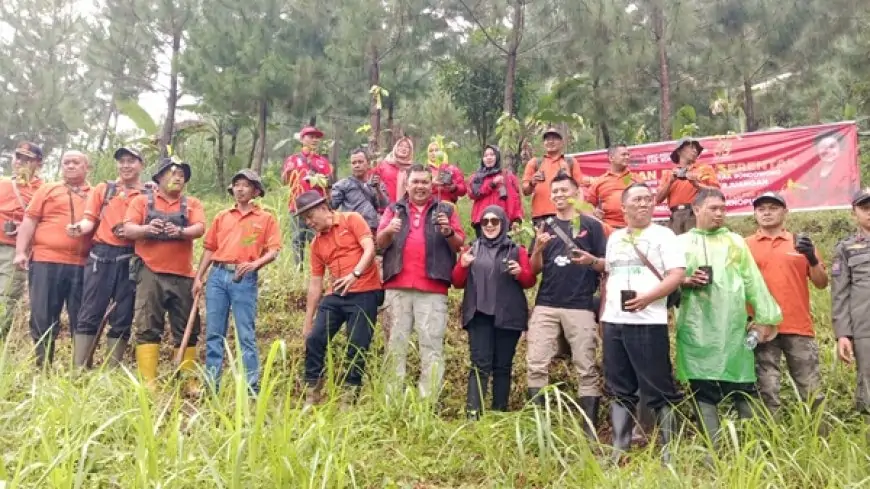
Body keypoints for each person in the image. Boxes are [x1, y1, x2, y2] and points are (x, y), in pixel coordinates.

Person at [676, 188, 782, 452]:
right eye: (713, 208)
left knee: (742, 385)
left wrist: (765, 317)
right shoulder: (681, 243)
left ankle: (752, 450)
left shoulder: (735, 242)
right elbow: (666, 282)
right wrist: (685, 281)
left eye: (723, 209)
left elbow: (753, 281)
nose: (719, 214)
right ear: (696, 209)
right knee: (702, 388)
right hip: (695, 330)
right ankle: (712, 451)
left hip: (732, 327)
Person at [600, 183, 685, 460]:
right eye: (637, 199)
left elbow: (676, 275)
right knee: (618, 388)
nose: (644, 204)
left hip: (648, 322)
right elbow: (609, 277)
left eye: (648, 199)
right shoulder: (614, 238)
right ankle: (619, 449)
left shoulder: (664, 235)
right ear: (623, 207)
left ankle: (669, 451)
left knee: (659, 386)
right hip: (614, 321)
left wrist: (648, 298)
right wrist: (603, 316)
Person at [527, 172, 607, 440]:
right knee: (536, 363)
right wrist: (538, 249)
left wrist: (590, 260)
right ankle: (538, 426)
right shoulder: (544, 226)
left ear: (576, 193)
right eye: (555, 191)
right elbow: (534, 269)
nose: (559, 195)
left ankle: (589, 429)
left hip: (581, 305)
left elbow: (605, 265)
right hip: (546, 304)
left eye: (564, 190)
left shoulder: (592, 226)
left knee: (586, 366)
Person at [376, 164, 465, 401]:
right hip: (397, 287)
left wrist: (448, 231)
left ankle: (428, 403)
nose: (420, 186)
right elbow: (379, 243)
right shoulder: (394, 209)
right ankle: (392, 401)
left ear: (431, 185)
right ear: (407, 185)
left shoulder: (446, 209)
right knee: (394, 346)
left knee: (432, 346)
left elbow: (459, 245)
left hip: (433, 288)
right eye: (415, 181)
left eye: (425, 182)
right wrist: (389, 231)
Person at [193, 169, 281, 395]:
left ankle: (251, 389)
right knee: (214, 333)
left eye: (246, 185)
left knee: (245, 334)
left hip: (244, 277)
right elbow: (209, 249)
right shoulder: (222, 216)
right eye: (237, 184)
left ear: (255, 191)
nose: (240, 189)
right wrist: (199, 277)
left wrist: (255, 264)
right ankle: (211, 387)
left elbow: (274, 250)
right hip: (217, 275)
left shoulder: (266, 218)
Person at [123, 158, 206, 392]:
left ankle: (188, 381)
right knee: (148, 325)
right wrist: (147, 229)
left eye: (181, 174)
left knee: (187, 327)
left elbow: (199, 228)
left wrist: (180, 231)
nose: (178, 177)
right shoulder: (141, 201)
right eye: (173, 173)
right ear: (159, 178)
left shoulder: (192, 203)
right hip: (150, 272)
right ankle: (149, 381)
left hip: (183, 274)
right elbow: (128, 229)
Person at [746, 191, 828, 415]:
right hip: (761, 327)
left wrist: (811, 258)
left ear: (785, 212)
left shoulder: (800, 243)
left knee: (811, 388)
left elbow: (821, 283)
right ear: (755, 214)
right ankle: (771, 435)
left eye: (773, 208)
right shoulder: (744, 246)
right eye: (761, 209)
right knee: (767, 389)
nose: (767, 213)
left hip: (798, 325)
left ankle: (818, 433)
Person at [298, 190, 380, 407]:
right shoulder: (316, 244)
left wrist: (355, 274)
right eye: (304, 219)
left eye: (310, 216)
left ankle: (349, 397)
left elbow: (369, 248)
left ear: (323, 208)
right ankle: (312, 394)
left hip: (365, 291)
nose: (308, 223)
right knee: (315, 339)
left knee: (357, 344)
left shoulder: (351, 219)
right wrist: (308, 321)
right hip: (336, 294)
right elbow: (315, 283)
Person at [452, 205, 536, 419]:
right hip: (479, 315)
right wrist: (462, 265)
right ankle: (473, 415)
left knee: (503, 366)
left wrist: (520, 272)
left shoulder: (517, 250)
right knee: (479, 365)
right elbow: (457, 282)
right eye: (485, 221)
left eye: (495, 221)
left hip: (508, 315)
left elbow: (529, 281)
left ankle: (499, 413)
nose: (489, 225)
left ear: (503, 223)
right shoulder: (471, 248)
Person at [68, 147, 147, 368]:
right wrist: (79, 228)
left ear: (141, 164)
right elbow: (90, 220)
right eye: (122, 161)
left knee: (123, 316)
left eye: (131, 161)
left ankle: (111, 372)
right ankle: (79, 370)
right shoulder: (105, 189)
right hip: (100, 256)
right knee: (89, 312)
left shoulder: (148, 194)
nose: (125, 165)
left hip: (131, 258)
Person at [13, 150, 91, 367]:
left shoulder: (95, 194)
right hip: (45, 261)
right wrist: (20, 252)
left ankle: (80, 368)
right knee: (43, 314)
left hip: (82, 264)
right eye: (66, 162)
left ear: (87, 168)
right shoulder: (48, 189)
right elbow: (30, 221)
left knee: (82, 316)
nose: (70, 166)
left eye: (76, 162)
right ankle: (42, 365)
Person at [831, 188, 870, 427]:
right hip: (864, 326)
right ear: (854, 213)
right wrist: (843, 334)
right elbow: (840, 293)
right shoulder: (846, 248)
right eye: (865, 208)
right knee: (867, 381)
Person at [0, 142, 43, 338]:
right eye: (18, 157)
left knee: (6, 297)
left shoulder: (43, 190)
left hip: (14, 250)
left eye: (27, 159)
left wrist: (26, 227)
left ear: (38, 163)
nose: (21, 162)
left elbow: (50, 222)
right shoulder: (3, 183)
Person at [282, 125, 333, 266]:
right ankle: (298, 270)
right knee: (297, 240)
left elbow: (329, 185)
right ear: (302, 139)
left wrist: (329, 205)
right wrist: (287, 172)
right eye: (311, 137)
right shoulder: (293, 159)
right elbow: (285, 181)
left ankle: (318, 268)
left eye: (317, 137)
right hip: (296, 207)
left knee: (317, 238)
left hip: (317, 208)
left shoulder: (322, 161)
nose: (314, 140)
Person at [521, 127, 586, 226]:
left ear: (562, 142)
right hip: (541, 216)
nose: (550, 141)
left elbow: (579, 189)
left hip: (566, 213)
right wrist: (532, 183)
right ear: (544, 143)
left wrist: (579, 212)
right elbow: (525, 191)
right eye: (547, 139)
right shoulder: (535, 162)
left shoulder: (570, 162)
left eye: (554, 138)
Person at [655, 138, 720, 234]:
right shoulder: (669, 174)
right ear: (679, 151)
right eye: (691, 147)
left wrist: (696, 184)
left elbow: (716, 192)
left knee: (696, 241)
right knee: (676, 242)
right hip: (675, 216)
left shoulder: (704, 169)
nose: (695, 150)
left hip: (696, 214)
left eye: (696, 149)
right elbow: (657, 199)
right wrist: (670, 181)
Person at [468, 145, 523, 238]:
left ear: (497, 157)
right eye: (486, 155)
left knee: (504, 247)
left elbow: (515, 199)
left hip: (503, 221)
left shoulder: (507, 176)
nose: (488, 157)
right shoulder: (476, 177)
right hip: (482, 221)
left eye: (492, 155)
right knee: (483, 246)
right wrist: (492, 184)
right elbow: (472, 194)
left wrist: (516, 219)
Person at [330, 148, 389, 233]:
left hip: (372, 229)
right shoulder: (343, 185)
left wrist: (377, 189)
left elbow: (385, 206)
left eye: (360, 162)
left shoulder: (376, 183)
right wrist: (327, 190)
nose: (356, 165)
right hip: (351, 230)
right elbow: (331, 206)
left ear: (368, 163)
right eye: (353, 163)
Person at [586, 144, 642, 228]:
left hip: (634, 227)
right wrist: (594, 211)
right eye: (623, 155)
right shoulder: (599, 181)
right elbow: (588, 204)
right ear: (611, 158)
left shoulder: (636, 179)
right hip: (609, 227)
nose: (627, 157)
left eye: (628, 154)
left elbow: (646, 202)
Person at [373, 137, 415, 204]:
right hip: (386, 206)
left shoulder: (413, 168)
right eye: (401, 145)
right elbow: (373, 183)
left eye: (407, 147)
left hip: (406, 207)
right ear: (396, 147)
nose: (403, 148)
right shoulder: (383, 164)